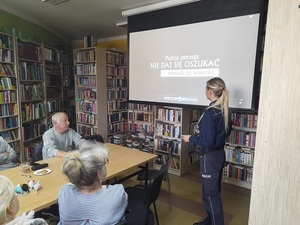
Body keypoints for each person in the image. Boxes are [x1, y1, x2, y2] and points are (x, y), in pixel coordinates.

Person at [181, 77, 231, 225]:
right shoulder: (225, 109)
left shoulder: (211, 113)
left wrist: (191, 138)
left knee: (211, 195)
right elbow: (227, 132)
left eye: (205, 89)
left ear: (210, 91)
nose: (205, 91)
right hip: (218, 155)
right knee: (212, 192)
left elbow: (207, 141)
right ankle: (209, 220)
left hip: (210, 157)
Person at [58, 141, 128, 225]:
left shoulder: (64, 192)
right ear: (99, 173)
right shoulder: (117, 192)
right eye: (104, 163)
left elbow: (70, 185)